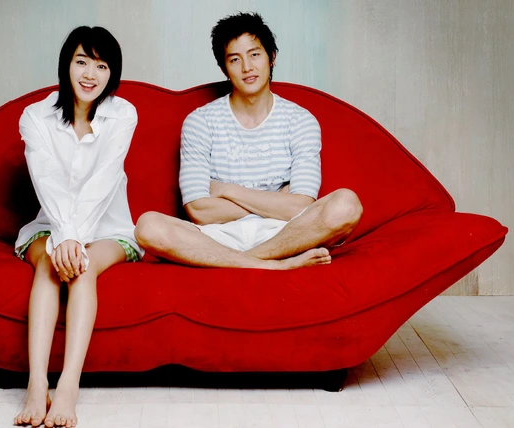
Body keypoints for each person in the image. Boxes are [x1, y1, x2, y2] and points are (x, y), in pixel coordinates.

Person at [135, 12, 362, 269]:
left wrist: (225, 190)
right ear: (224, 68)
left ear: (271, 57)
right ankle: (273, 265)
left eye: (254, 54)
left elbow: (299, 208)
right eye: (235, 59)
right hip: (216, 237)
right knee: (148, 226)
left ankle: (249, 260)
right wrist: (276, 198)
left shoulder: (300, 121)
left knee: (347, 204)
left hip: (287, 234)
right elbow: (199, 212)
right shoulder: (200, 122)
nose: (247, 67)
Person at [13, 26, 142, 428]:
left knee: (81, 267)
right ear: (66, 65)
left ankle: (68, 387)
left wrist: (76, 239)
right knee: (49, 263)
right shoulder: (35, 117)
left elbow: (105, 179)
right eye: (82, 62)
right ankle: (37, 384)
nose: (90, 74)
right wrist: (65, 235)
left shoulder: (123, 114)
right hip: (50, 224)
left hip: (110, 228)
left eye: (101, 66)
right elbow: (46, 179)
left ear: (112, 73)